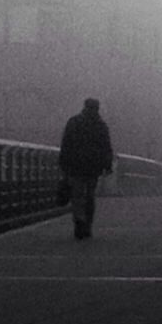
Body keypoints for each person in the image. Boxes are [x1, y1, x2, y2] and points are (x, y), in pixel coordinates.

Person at [59, 98, 113, 240]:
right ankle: (87, 224)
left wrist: (63, 163)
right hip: (93, 167)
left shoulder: (74, 122)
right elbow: (106, 147)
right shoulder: (101, 125)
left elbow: (66, 143)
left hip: (75, 165)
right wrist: (107, 165)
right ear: (97, 108)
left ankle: (79, 220)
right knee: (90, 195)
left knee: (77, 195)